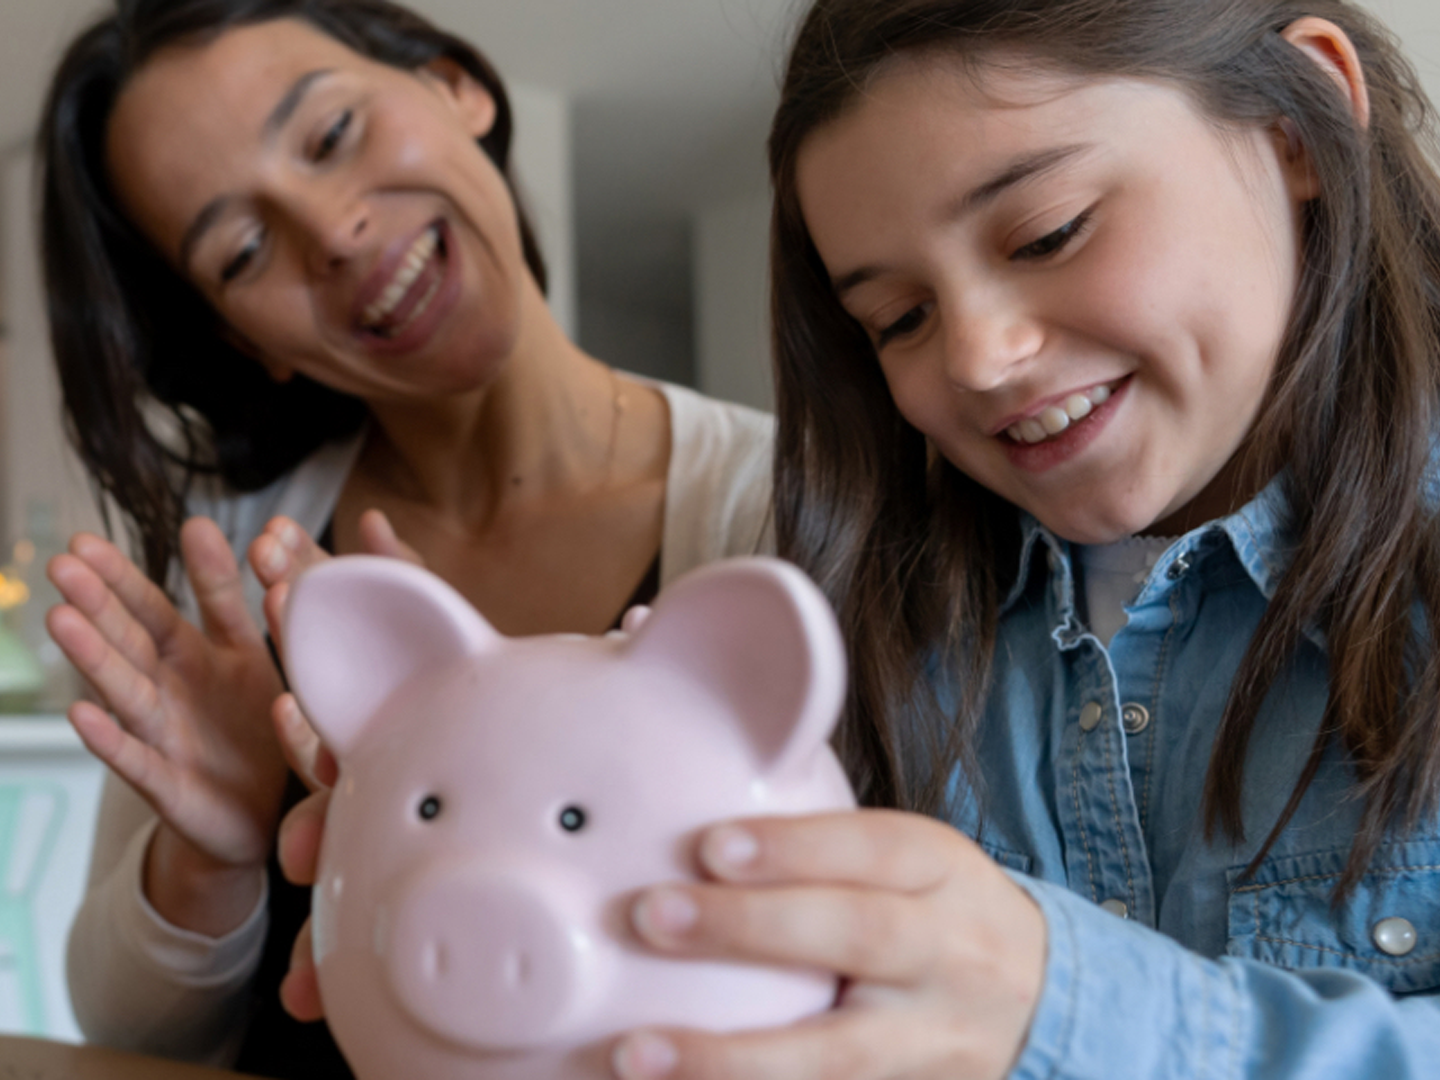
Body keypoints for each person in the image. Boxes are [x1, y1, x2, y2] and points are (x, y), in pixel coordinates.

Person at [280, 0, 1440, 1076]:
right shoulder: (883, 622)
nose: (977, 362)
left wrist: (1061, 1001)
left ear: (1300, 118)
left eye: (1048, 233)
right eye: (900, 318)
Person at [36, 1, 772, 1076]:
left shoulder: (775, 512)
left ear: (454, 87)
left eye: (331, 135)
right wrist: (214, 851)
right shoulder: (243, 567)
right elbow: (130, 1038)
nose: (333, 234)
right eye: (244, 249)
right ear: (249, 340)